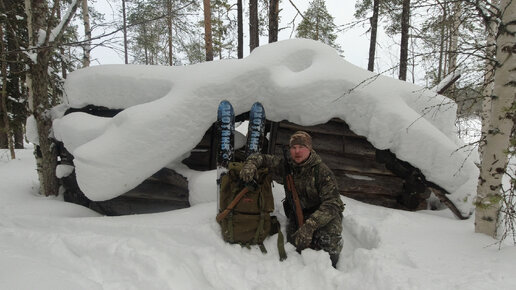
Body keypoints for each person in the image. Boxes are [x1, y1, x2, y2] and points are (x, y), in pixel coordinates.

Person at [239, 131, 344, 268]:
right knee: (295, 245)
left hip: (323, 213)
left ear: (309, 149)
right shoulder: (287, 165)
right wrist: (251, 164)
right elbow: (263, 159)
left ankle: (331, 272)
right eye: (293, 148)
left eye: (301, 147)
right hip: (298, 212)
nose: (297, 151)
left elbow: (333, 203)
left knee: (329, 241)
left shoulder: (322, 172)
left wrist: (310, 226)